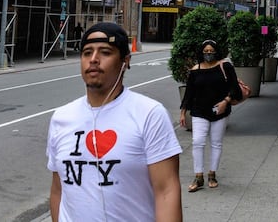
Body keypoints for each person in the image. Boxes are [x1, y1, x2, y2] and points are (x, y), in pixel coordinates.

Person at [47, 22, 182, 222]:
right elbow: (59, 190)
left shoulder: (149, 114)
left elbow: (166, 192)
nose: (93, 59)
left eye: (105, 52)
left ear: (125, 61)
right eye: (86, 53)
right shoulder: (61, 117)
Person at [179, 39, 242, 193]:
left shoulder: (225, 66)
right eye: (205, 51)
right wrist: (182, 112)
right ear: (201, 53)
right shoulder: (195, 70)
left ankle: (212, 174)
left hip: (219, 111)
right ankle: (198, 176)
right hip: (199, 111)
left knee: (216, 143)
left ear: (216, 51)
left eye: (211, 51)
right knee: (198, 142)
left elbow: (235, 89)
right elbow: (189, 93)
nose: (208, 54)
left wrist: (225, 102)